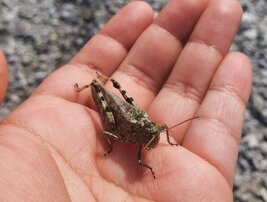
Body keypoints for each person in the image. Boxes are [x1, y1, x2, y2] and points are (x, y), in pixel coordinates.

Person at [0, 0, 252, 201]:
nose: (154, 139)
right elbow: (134, 154)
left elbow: (157, 135)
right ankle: (92, 85)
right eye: (152, 137)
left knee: (124, 108)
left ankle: (99, 84)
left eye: (153, 136)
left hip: (131, 116)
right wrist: (110, 147)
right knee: (109, 125)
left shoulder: (154, 132)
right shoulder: (136, 142)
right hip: (117, 119)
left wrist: (164, 141)